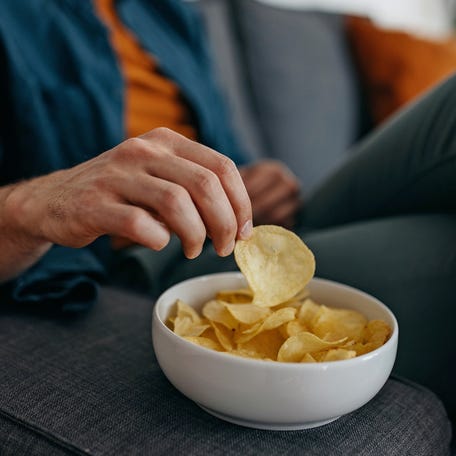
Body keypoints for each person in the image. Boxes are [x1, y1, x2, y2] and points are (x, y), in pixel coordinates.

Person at [0, 0, 454, 452]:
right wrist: (32, 205)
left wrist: (251, 181)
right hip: (133, 256)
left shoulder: (166, 11)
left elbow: (220, 151)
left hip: (242, 233)